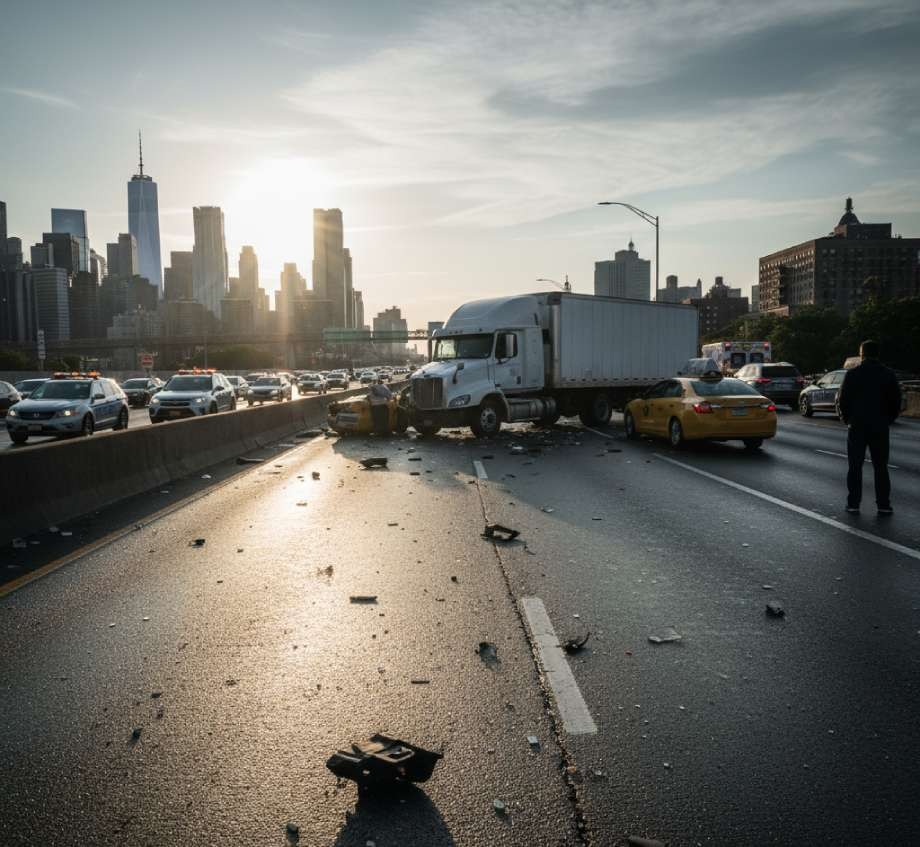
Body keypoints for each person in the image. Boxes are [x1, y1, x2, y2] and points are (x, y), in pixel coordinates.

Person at [837, 340, 901, 515]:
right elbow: (896, 402)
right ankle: (883, 504)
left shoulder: (852, 374)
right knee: (881, 467)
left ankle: (853, 503)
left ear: (862, 354)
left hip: (857, 425)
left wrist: (847, 419)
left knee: (855, 466)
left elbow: (843, 400)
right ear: (877, 354)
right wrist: (887, 419)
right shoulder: (888, 374)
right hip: (879, 425)